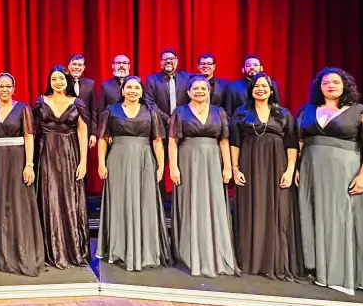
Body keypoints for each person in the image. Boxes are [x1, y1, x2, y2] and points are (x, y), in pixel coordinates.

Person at [295, 68, 363, 295]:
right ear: (319, 86)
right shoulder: (308, 110)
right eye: (326, 82)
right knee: (314, 215)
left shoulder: (361, 112)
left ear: (345, 85)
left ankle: (342, 272)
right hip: (312, 171)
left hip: (345, 172)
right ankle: (317, 267)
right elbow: (301, 141)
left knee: (341, 218)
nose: (331, 85)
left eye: (336, 82)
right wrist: (296, 167)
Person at [229, 73, 302, 280]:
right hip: (248, 166)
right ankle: (251, 261)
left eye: (264, 86)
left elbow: (291, 144)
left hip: (276, 166)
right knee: (250, 209)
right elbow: (235, 143)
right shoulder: (242, 113)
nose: (259, 89)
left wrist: (289, 170)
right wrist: (235, 168)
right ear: (251, 91)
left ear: (271, 90)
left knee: (277, 209)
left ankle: (274, 261)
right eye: (256, 86)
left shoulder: (283, 114)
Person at [96, 76, 170, 271]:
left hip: (144, 160)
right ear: (122, 90)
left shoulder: (151, 111)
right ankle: (118, 250)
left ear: (141, 91)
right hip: (118, 160)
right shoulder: (111, 111)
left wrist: (161, 167)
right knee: (119, 202)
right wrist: (101, 164)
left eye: (136, 87)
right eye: (128, 87)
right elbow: (102, 139)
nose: (132, 90)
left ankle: (144, 251)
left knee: (143, 203)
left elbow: (157, 140)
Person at [169, 75, 238, 277]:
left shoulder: (219, 112)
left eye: (203, 88)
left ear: (209, 91)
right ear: (189, 92)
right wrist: (173, 167)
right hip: (188, 160)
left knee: (212, 204)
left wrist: (228, 167)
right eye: (195, 88)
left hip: (212, 162)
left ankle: (215, 252)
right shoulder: (179, 112)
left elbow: (224, 141)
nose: (199, 91)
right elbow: (172, 141)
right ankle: (190, 254)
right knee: (190, 203)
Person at [0, 73, 44, 276]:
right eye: (0, 86)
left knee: (18, 206)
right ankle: (0, 255)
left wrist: (29, 164)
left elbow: (29, 137)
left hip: (18, 159)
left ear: (13, 88)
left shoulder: (23, 108)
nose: (4, 89)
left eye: (8, 86)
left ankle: (21, 254)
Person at [32, 65, 90, 268]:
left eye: (62, 79)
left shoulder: (77, 103)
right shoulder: (41, 101)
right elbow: (32, 131)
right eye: (54, 79)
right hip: (46, 155)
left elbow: (83, 131)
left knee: (69, 200)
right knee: (49, 199)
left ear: (68, 81)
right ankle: (50, 251)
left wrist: (83, 161)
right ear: (49, 81)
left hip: (69, 155)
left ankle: (71, 250)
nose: (58, 82)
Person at [144, 49, 192, 128]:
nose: (168, 61)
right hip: (160, 124)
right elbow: (149, 102)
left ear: (176, 60)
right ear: (160, 62)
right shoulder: (152, 80)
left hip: (185, 123)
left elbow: (193, 99)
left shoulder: (188, 78)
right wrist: (166, 118)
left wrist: (181, 118)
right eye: (165, 59)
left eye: (171, 59)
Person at [67, 53, 98, 148]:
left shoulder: (90, 84)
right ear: (68, 66)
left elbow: (93, 109)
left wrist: (93, 133)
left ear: (83, 67)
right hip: (66, 129)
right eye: (74, 64)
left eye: (79, 65)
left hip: (85, 129)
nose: (77, 67)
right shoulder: (62, 82)